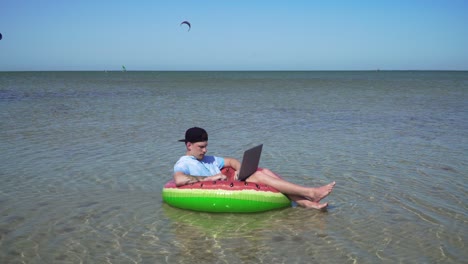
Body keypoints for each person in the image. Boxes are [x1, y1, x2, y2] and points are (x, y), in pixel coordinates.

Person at [173, 127, 336, 210]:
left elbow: (230, 161)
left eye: (206, 146)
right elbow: (179, 179)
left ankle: (308, 204)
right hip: (219, 190)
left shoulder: (209, 159)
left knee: (262, 172)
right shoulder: (184, 162)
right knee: (257, 176)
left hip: (232, 183)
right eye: (201, 147)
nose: (205, 150)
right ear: (189, 145)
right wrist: (209, 179)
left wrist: (240, 169)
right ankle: (310, 193)